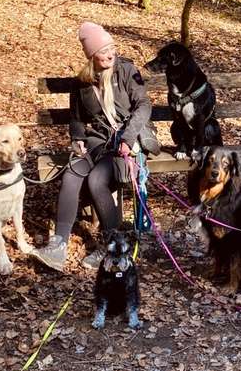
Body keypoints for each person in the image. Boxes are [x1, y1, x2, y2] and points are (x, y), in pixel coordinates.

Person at [31, 21, 158, 272]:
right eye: (103, 50)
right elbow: (76, 117)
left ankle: (113, 246)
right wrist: (77, 138)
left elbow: (144, 105)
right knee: (71, 175)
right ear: (91, 55)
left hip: (124, 144)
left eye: (112, 47)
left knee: (97, 180)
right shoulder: (82, 82)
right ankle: (58, 246)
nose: (110, 53)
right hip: (96, 144)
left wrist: (128, 138)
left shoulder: (126, 70)